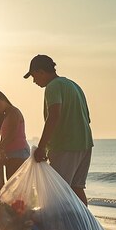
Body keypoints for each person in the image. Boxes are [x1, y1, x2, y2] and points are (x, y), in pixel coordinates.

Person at [23, 54, 93, 206]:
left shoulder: (53, 86)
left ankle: (59, 227)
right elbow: (87, 118)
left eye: (34, 76)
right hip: (85, 144)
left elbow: (54, 115)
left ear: (41, 72)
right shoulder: (74, 85)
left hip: (66, 145)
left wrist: (41, 147)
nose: (34, 81)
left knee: (56, 191)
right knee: (76, 187)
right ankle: (86, 227)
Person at [0, 90, 30, 193]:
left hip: (19, 153)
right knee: (12, 188)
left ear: (2, 100)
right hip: (10, 154)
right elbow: (3, 138)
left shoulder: (14, 112)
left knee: (16, 188)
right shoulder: (6, 116)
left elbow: (12, 134)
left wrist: (1, 148)